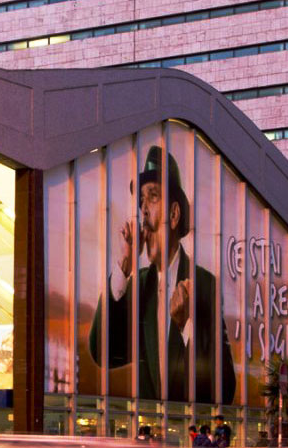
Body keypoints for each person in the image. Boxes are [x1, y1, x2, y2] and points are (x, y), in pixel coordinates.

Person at [89, 146, 237, 404]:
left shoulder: (204, 285)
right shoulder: (137, 286)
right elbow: (103, 353)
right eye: (141, 201)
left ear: (174, 214)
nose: (143, 210)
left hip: (187, 426)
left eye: (153, 197)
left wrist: (185, 326)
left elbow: (225, 388)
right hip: (147, 427)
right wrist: (124, 267)